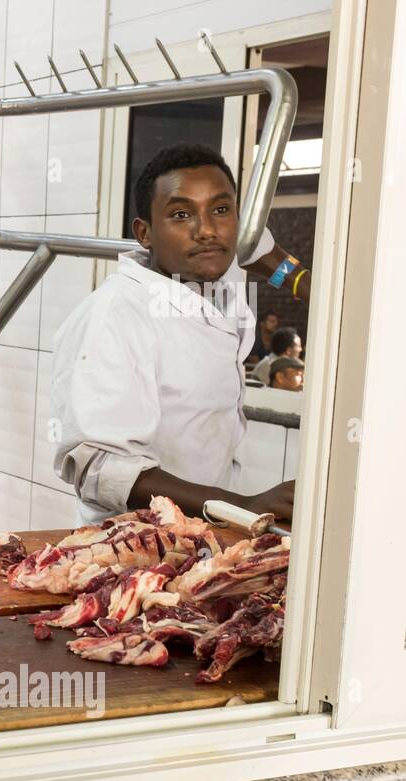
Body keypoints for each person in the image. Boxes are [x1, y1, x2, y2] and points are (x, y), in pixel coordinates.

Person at [51, 143, 298, 524]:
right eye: (181, 215)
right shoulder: (115, 315)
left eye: (221, 209)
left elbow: (255, 247)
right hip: (133, 549)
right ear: (144, 233)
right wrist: (240, 506)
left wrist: (304, 282)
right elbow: (101, 468)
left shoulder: (214, 282)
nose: (208, 230)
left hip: (208, 535)